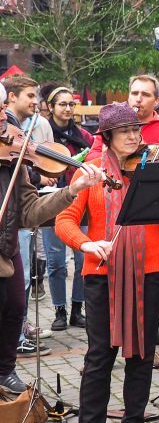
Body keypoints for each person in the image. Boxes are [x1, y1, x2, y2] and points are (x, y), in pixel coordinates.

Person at [56, 103, 159, 423]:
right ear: (107, 136)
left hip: (150, 269)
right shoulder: (90, 174)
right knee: (100, 354)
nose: (135, 137)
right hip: (101, 274)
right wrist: (87, 243)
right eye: (125, 132)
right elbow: (65, 221)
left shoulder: (151, 169)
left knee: (142, 351)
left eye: (137, 130)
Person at [0, 82, 106, 394]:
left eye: (2, 108)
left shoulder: (13, 158)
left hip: (5, 247)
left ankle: (5, 371)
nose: (2, 118)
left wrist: (70, 191)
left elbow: (31, 211)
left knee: (16, 305)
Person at [5, 75, 55, 356]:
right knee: (19, 282)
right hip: (12, 223)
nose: (36, 103)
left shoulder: (16, 128)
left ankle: (18, 331)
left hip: (15, 217)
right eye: (30, 96)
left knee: (20, 282)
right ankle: (17, 335)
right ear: (11, 97)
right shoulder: (11, 126)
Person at [41, 85, 93, 332]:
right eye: (62, 104)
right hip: (51, 201)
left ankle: (77, 309)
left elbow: (94, 159)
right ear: (50, 108)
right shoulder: (42, 134)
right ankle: (59, 310)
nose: (68, 109)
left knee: (83, 259)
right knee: (56, 261)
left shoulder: (84, 135)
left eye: (71, 104)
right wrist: (42, 176)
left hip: (79, 199)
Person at [88, 75, 159, 160]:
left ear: (156, 101)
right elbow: (90, 157)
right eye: (134, 93)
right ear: (129, 97)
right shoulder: (112, 123)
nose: (138, 99)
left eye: (145, 95)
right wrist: (114, 153)